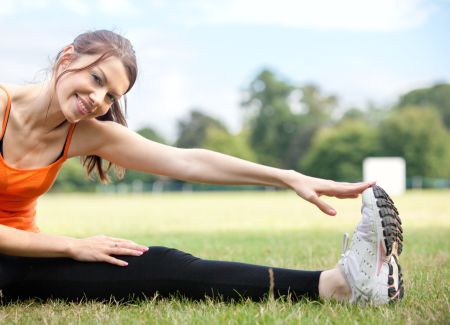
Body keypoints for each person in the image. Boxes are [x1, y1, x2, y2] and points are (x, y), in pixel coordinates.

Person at [0, 30, 403, 305]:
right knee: (134, 262)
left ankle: (337, 285)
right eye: (95, 77)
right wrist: (71, 245)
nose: (98, 98)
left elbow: (186, 159)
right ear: (68, 56)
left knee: (159, 263)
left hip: (26, 258)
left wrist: (287, 177)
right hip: (20, 260)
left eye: (110, 95)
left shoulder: (84, 132)